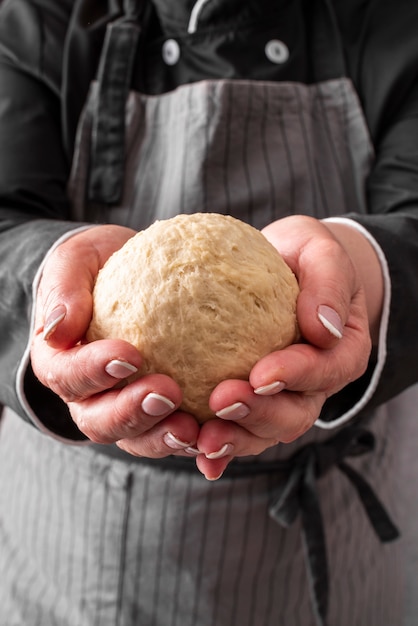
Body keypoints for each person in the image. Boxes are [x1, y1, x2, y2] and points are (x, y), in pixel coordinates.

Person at [0, 0, 417, 625]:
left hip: (337, 526)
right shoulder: (41, 15)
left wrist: (357, 274)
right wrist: (51, 280)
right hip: (82, 540)